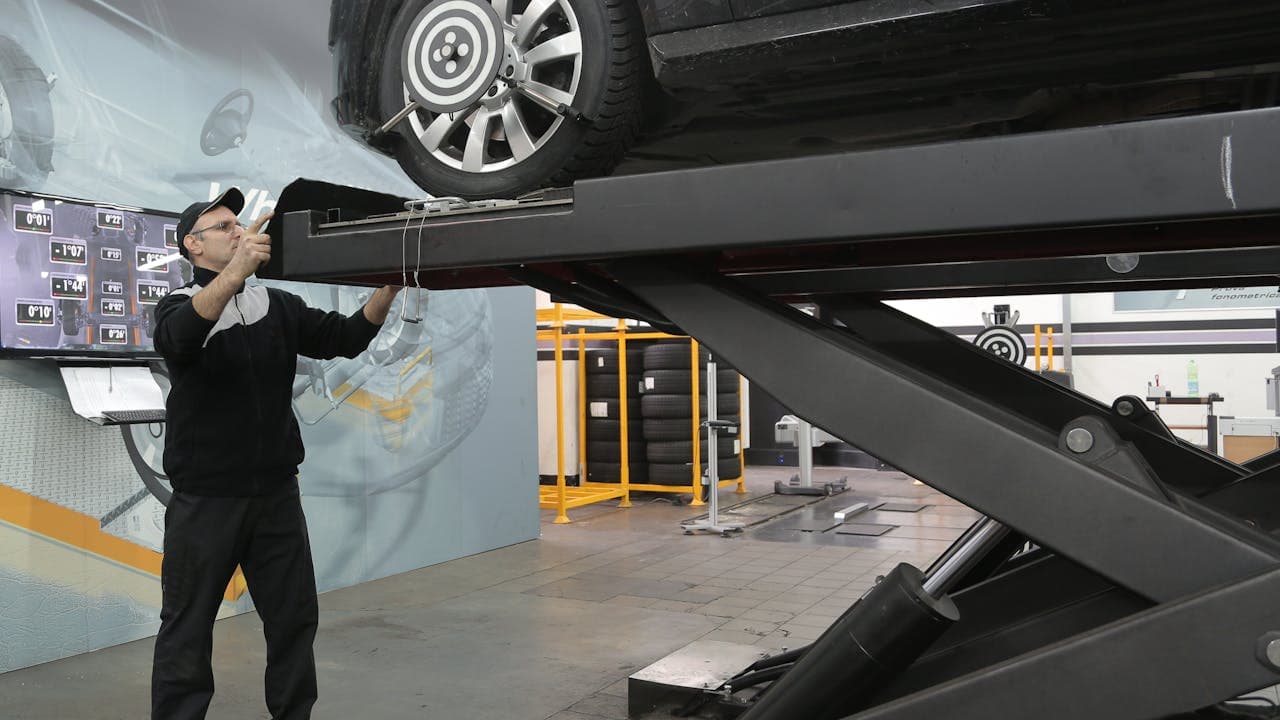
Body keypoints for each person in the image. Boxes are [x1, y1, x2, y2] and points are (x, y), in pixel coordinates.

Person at [150, 187, 398, 719]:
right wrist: (235, 271)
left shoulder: (279, 306)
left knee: (292, 621)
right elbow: (180, 337)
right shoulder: (178, 307)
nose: (239, 230)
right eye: (224, 227)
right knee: (187, 626)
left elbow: (347, 336)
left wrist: (392, 282)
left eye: (240, 223)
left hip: (276, 499)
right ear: (193, 245)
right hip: (206, 502)